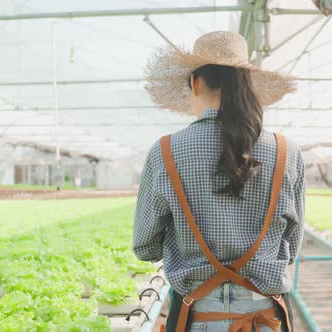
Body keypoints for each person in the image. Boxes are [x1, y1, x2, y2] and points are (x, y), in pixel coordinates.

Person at [133, 31, 305, 332]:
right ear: (247, 84)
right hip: (265, 315)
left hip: (197, 314)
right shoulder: (286, 151)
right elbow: (292, 242)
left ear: (195, 83)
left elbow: (145, 247)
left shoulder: (165, 152)